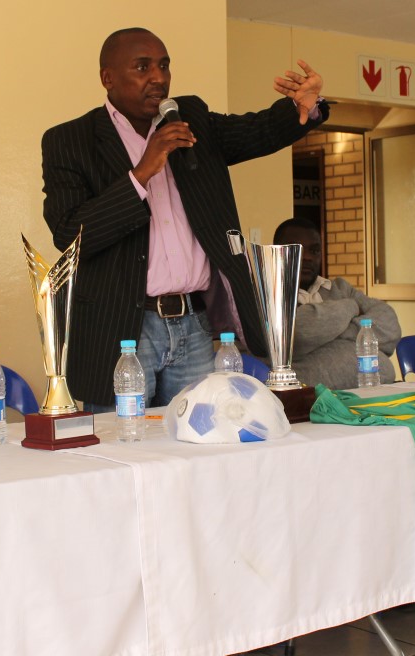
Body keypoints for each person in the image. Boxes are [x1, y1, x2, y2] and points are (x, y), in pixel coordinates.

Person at [42, 27, 328, 411]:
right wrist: (140, 174)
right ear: (108, 78)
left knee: (199, 432)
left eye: (164, 66)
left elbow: (255, 131)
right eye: (142, 67)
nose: (158, 78)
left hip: (194, 324)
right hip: (123, 331)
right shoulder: (70, 140)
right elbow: (70, 235)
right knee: (125, 438)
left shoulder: (189, 119)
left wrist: (302, 108)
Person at [273, 218, 401, 388]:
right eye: (298, 249)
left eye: (314, 250)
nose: (308, 257)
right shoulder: (268, 294)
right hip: (300, 397)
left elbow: (390, 327)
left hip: (360, 394)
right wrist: (351, 307)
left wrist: (334, 331)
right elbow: (297, 333)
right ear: (276, 251)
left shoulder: (339, 288)